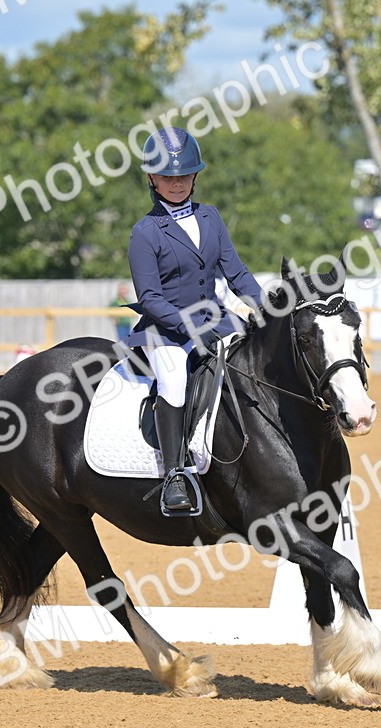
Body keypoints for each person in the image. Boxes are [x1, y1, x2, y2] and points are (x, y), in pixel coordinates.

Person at [124, 127, 264, 514]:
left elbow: (236, 273)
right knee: (174, 379)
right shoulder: (145, 232)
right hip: (166, 329)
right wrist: (189, 328)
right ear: (152, 178)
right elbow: (150, 299)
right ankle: (174, 475)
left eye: (184, 175)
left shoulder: (210, 217)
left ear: (195, 176)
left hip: (215, 319)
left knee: (254, 362)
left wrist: (266, 307)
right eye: (168, 177)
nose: (176, 183)